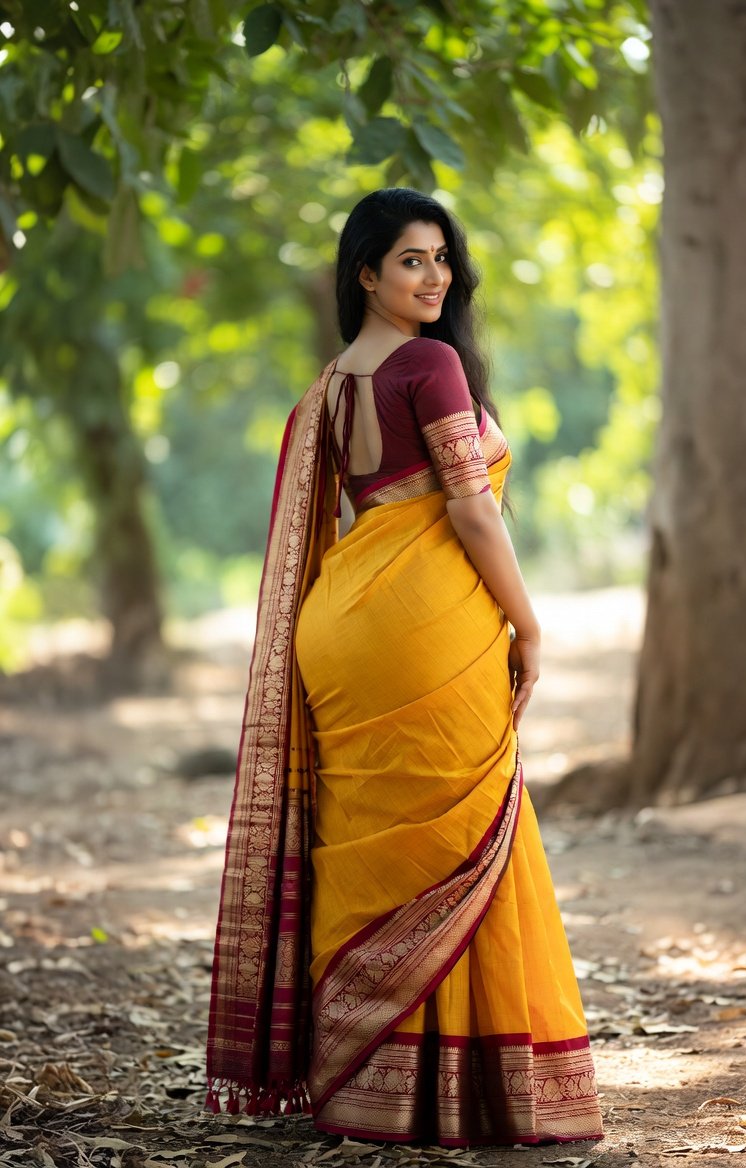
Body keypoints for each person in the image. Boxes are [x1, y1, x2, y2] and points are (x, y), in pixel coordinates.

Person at [206, 188, 603, 1147]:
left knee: (374, 828)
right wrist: (530, 626)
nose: (436, 278)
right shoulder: (431, 364)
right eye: (412, 261)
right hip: (420, 623)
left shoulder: (331, 385)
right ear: (366, 274)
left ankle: (361, 1090)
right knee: (461, 831)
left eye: (441, 259)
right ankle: (458, 1093)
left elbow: (360, 512)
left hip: (339, 619)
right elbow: (471, 510)